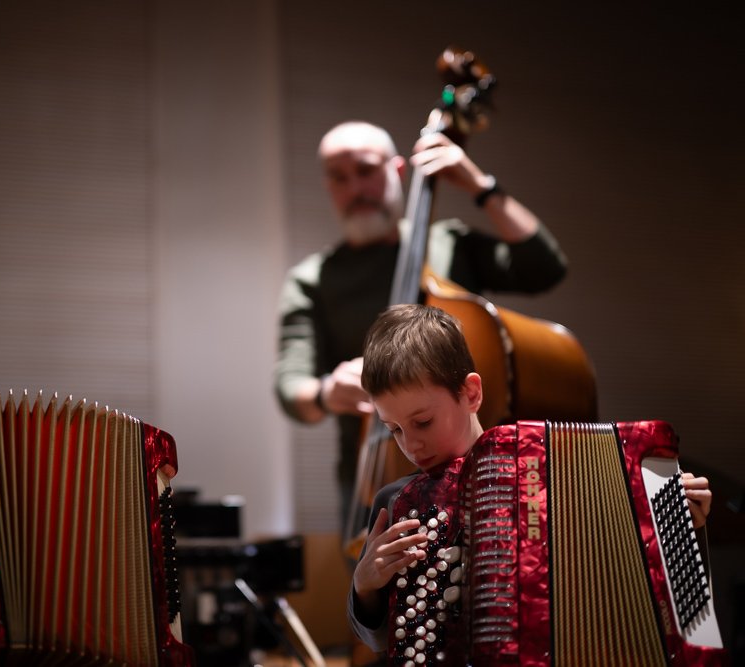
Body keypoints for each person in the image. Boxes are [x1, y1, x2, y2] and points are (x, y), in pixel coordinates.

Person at [346, 304, 714, 658]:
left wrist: (675, 521)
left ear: (471, 393)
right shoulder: (399, 502)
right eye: (394, 429)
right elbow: (379, 639)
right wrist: (365, 587)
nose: (411, 444)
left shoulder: (558, 470)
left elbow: (643, 580)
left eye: (422, 422)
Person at [274, 119, 569, 527]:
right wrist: (327, 391)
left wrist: (482, 187)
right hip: (373, 478)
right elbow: (291, 387)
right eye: (339, 178)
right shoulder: (311, 279)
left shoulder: (448, 244)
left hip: (483, 476)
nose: (355, 189)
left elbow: (545, 268)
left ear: (398, 170)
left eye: (365, 171)